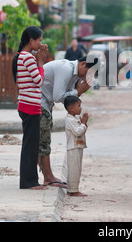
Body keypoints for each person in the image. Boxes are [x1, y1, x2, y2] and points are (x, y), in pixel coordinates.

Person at [39, 57, 96, 188]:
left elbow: (68, 99)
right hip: (39, 103)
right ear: (82, 64)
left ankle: (47, 175)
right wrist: (78, 91)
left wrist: (77, 94)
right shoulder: (66, 69)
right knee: (44, 141)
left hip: (45, 104)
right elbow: (58, 96)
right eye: (88, 72)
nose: (87, 76)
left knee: (43, 140)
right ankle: (48, 177)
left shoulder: (74, 74)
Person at [12, 25, 49, 190]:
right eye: (39, 40)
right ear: (31, 40)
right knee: (30, 146)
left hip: (28, 105)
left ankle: (31, 181)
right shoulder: (27, 58)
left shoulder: (24, 56)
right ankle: (29, 182)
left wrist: (38, 59)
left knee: (31, 145)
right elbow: (39, 81)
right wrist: (41, 62)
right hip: (29, 106)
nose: (41, 43)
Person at [64, 95, 89, 197]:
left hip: (78, 146)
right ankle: (73, 190)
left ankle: (73, 189)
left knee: (77, 168)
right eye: (78, 106)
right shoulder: (69, 120)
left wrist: (83, 123)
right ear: (71, 108)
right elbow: (78, 132)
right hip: (73, 148)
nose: (81, 108)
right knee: (74, 169)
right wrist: (83, 123)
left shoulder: (75, 118)